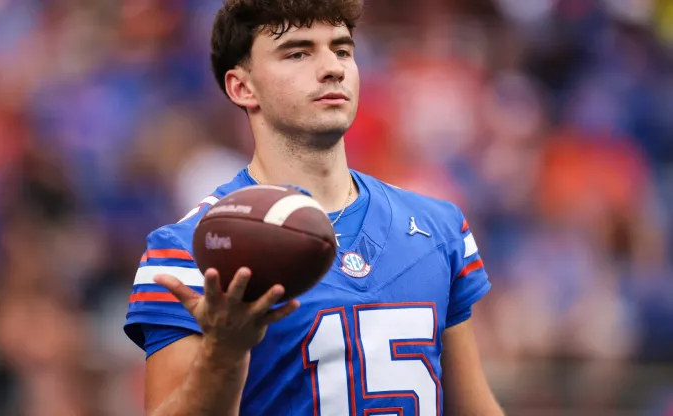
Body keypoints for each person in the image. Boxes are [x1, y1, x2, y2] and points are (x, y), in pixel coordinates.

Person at [124, 0, 504, 414]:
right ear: (242, 87)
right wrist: (223, 354)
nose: (333, 68)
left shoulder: (438, 227)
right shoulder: (193, 248)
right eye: (299, 52)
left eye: (342, 50)